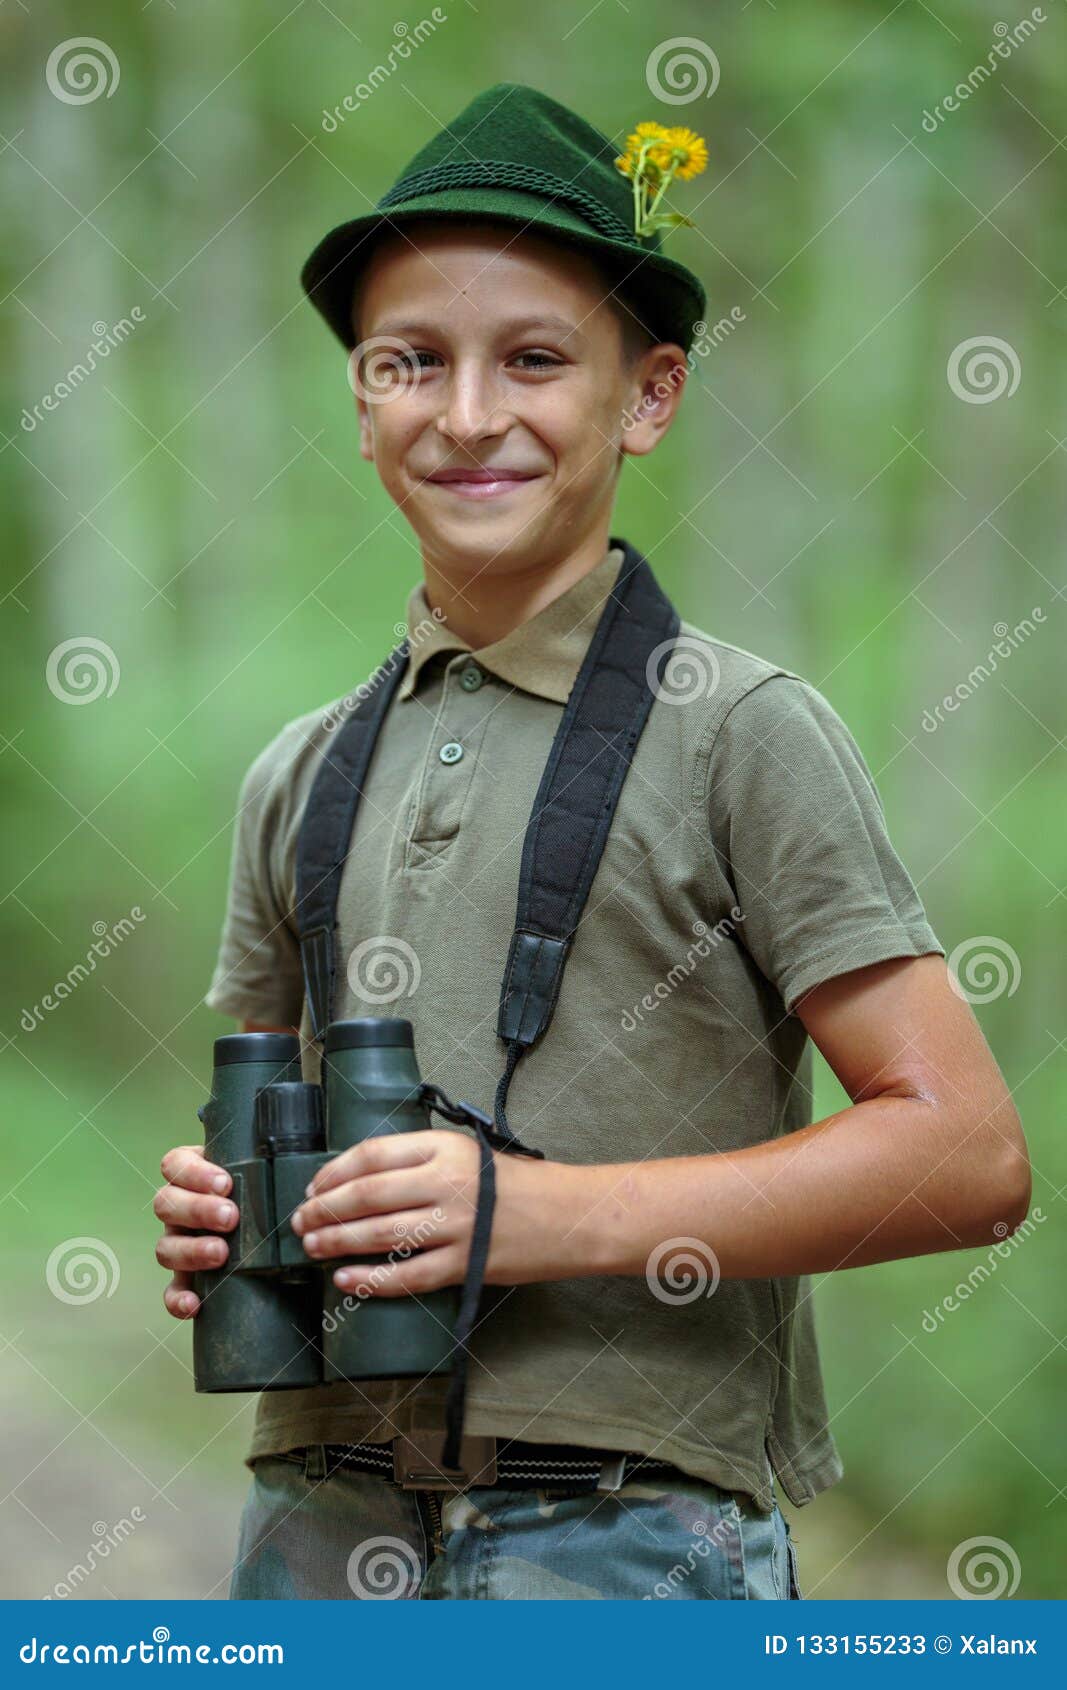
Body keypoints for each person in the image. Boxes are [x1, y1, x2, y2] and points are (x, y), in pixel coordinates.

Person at [153, 84, 1031, 1601]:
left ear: (650, 396)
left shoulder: (739, 731)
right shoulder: (299, 772)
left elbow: (969, 1156)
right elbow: (271, 1123)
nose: (466, 414)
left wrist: (540, 1216)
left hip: (629, 1539)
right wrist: (217, 1213)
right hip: (313, 1522)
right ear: (361, 403)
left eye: (536, 359)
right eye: (410, 361)